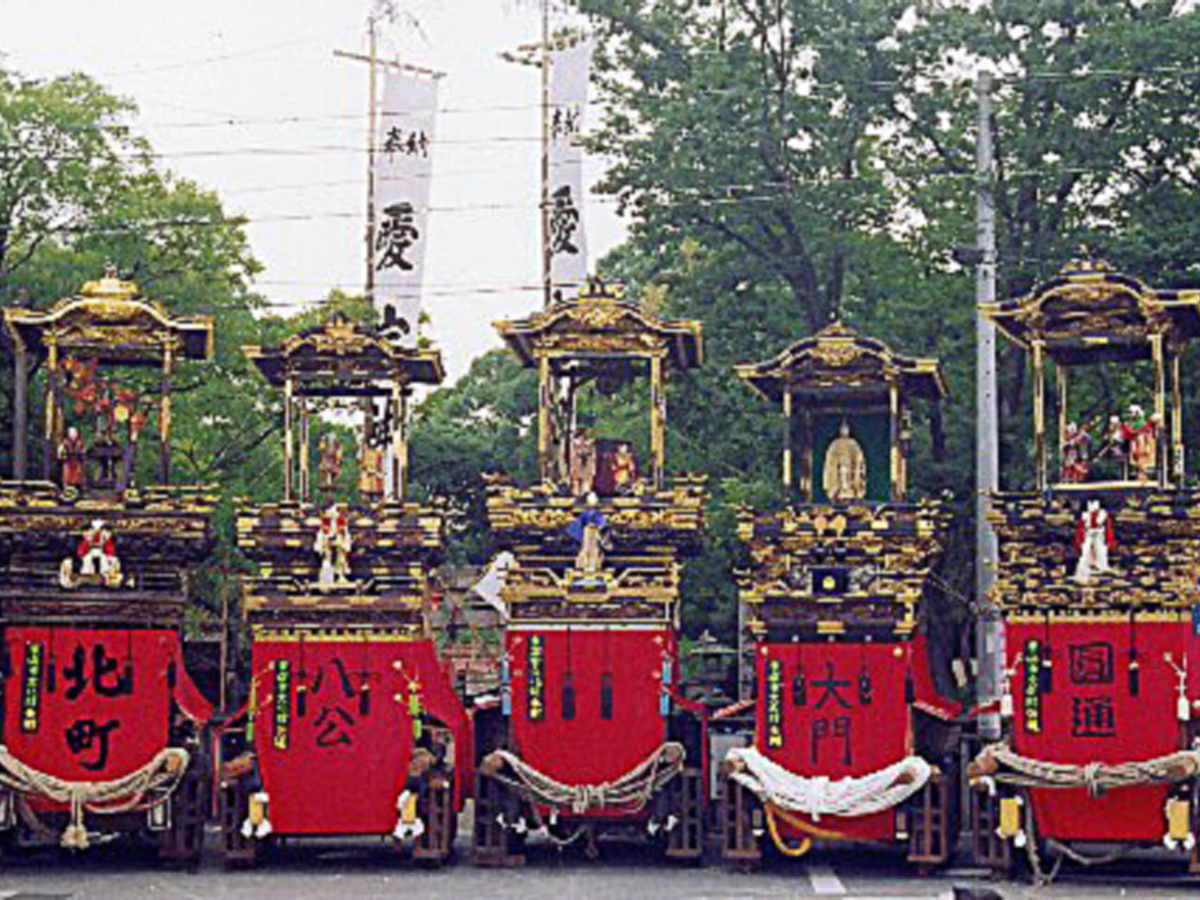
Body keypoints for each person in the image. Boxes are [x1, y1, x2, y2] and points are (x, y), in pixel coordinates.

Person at [823, 419, 868, 501]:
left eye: (846, 429)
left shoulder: (853, 443)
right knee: (842, 477)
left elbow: (859, 458)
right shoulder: (835, 444)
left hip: (851, 468)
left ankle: (849, 491)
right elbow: (830, 461)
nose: (844, 431)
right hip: (839, 468)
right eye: (843, 429)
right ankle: (839, 491)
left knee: (848, 478)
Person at [1073, 500, 1114, 584]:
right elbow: (1080, 528)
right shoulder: (1085, 515)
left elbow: (1108, 528)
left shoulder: (1103, 514)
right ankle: (1083, 571)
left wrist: (1108, 540)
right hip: (1088, 534)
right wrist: (1080, 539)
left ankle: (1102, 568)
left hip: (1099, 535)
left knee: (1101, 551)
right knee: (1086, 552)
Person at [314, 503, 353, 589]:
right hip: (327, 541)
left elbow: (344, 533)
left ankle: (340, 576)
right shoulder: (326, 521)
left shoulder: (341, 520)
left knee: (341, 559)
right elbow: (323, 532)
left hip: (339, 542)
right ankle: (327, 579)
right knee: (327, 558)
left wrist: (339, 536)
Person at [568, 493, 608, 574]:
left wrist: (600, 526)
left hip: (594, 532)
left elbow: (601, 521)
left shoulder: (597, 513)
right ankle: (583, 565)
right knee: (585, 548)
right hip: (586, 531)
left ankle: (594, 566)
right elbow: (579, 522)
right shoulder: (585, 513)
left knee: (594, 549)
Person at [569, 429, 597, 496]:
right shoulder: (575, 446)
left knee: (586, 480)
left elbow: (592, 457)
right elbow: (573, 457)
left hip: (586, 466)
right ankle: (577, 493)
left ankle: (585, 492)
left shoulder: (589, 446)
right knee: (577, 479)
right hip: (578, 465)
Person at [58, 426, 86, 491]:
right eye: (72, 433)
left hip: (77, 462)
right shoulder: (65, 442)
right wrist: (63, 454)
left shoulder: (80, 442)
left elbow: (83, 451)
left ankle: (78, 489)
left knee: (78, 477)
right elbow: (61, 452)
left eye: (74, 433)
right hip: (68, 463)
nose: (73, 435)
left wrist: (81, 454)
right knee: (67, 477)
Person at [319, 433, 344, 498]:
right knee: (325, 476)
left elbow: (339, 456)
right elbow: (322, 450)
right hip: (327, 463)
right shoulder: (325, 444)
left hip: (333, 463)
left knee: (333, 477)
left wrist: (338, 462)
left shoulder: (337, 446)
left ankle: (331, 487)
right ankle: (325, 488)